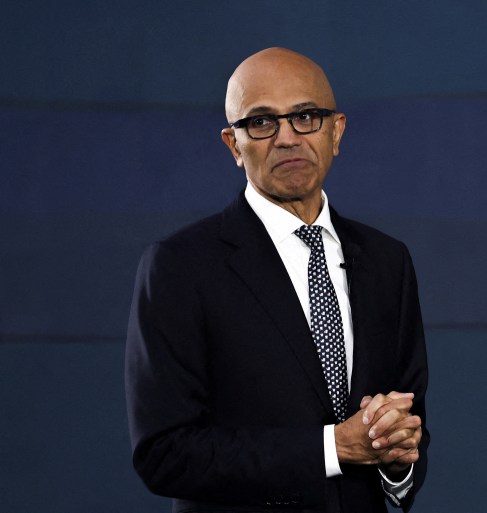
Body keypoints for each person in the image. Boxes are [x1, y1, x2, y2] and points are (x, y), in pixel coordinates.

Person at [125, 48, 429, 513]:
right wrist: (334, 448)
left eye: (306, 116)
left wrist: (397, 457)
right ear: (234, 145)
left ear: (336, 131)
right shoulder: (179, 267)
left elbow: (409, 422)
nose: (288, 138)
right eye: (262, 122)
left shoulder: (388, 261)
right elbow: (165, 454)